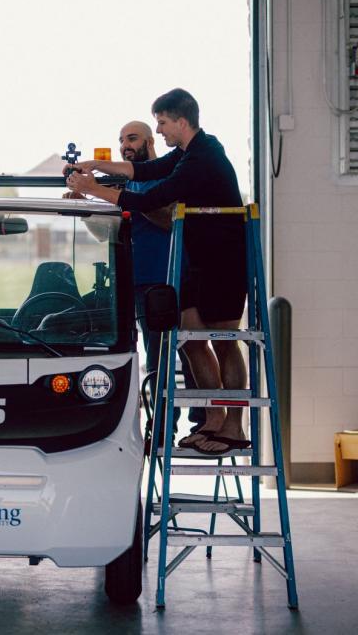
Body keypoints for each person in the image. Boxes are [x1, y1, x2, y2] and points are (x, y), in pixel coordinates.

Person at [65, 89, 248, 456]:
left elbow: (151, 199)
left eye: (162, 123)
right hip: (194, 261)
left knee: (224, 342)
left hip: (223, 260)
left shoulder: (203, 156)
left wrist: (93, 189)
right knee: (194, 342)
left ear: (181, 121)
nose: (160, 130)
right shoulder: (184, 154)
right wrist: (97, 168)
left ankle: (233, 425)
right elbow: (145, 171)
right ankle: (211, 420)